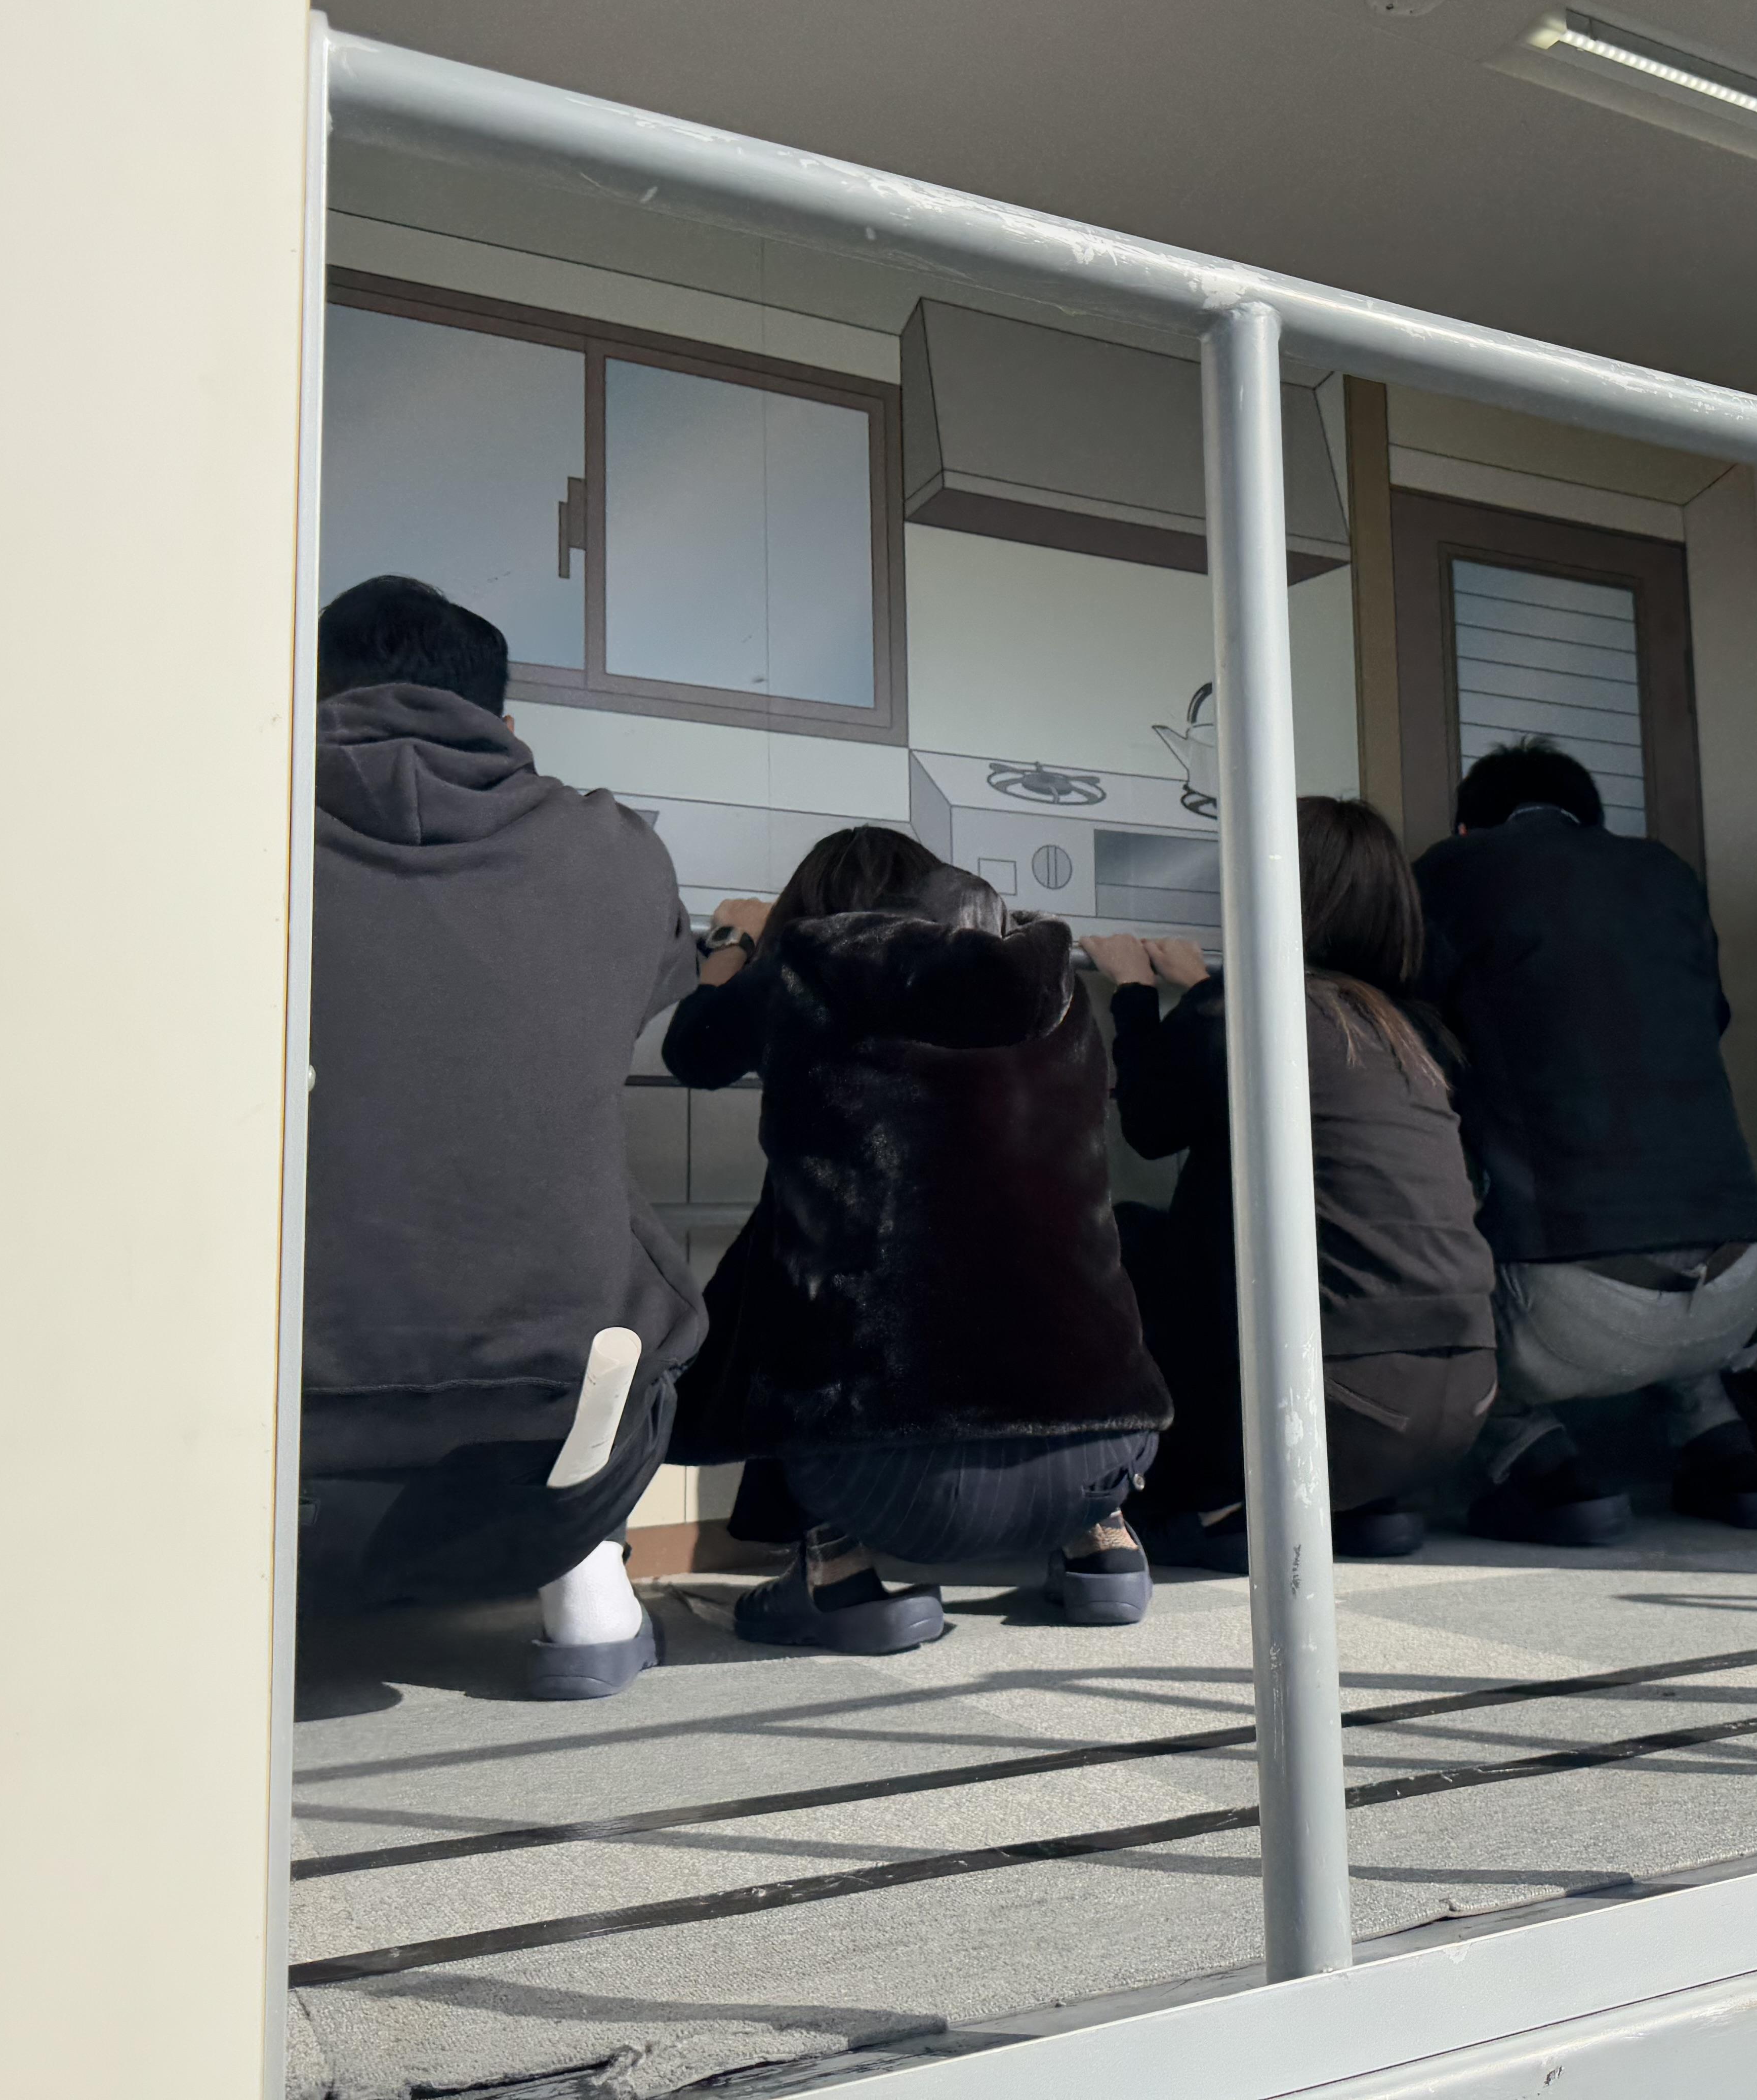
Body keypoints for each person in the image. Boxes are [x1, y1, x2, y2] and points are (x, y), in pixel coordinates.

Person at [301, 575, 703, 1699]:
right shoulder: (618, 848)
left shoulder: (213, 815)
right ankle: (588, 1588)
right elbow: (661, 985)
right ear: (506, 722)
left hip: (258, 1439)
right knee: (626, 1276)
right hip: (551, 1458)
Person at [663, 827, 1171, 1651]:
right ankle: (1105, 1552)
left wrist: (733, 942)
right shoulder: (1056, 985)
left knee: (790, 1243)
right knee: (1036, 1233)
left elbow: (694, 1050)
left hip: (885, 1477)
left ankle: (837, 1574)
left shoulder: (810, 963)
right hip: (1110, 1455)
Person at [1090, 796, 1498, 1570]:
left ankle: (1211, 1505)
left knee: (1131, 1237)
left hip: (1330, 1411)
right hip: (1461, 1410)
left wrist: (1135, 991)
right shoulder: (1416, 1032)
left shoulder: (1253, 1014)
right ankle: (1363, 1506)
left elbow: (1148, 1123)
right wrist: (1207, 990)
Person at [1413, 739, 1757, 1540]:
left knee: (1400, 1215)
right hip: (1742, 1292)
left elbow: (1402, 1033)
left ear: (1469, 827)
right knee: (1651, 1185)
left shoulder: (1454, 872)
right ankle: (1719, 1439)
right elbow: (1712, 1016)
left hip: (1572, 1314)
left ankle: (1539, 1462)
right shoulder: (1667, 873)